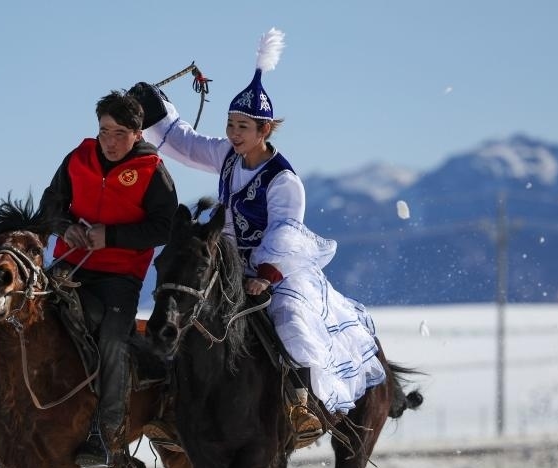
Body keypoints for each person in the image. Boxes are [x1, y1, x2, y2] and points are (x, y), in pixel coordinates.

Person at [132, 28, 385, 436]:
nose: (233, 133)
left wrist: (264, 274)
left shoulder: (284, 179)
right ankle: (173, 402)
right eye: (231, 124)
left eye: (243, 127)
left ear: (264, 130)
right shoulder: (226, 155)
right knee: (188, 309)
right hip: (229, 264)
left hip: (278, 272)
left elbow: (285, 233)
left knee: (291, 322)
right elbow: (187, 144)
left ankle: (300, 402)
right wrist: (156, 110)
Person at [0, 90, 178, 468]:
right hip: (67, 267)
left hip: (119, 279)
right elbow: (50, 205)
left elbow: (164, 227)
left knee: (112, 340)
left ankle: (104, 435)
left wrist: (111, 236)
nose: (109, 141)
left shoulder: (153, 171)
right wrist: (66, 227)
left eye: (120, 133)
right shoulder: (78, 157)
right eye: (104, 131)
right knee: (12, 311)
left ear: (138, 134)